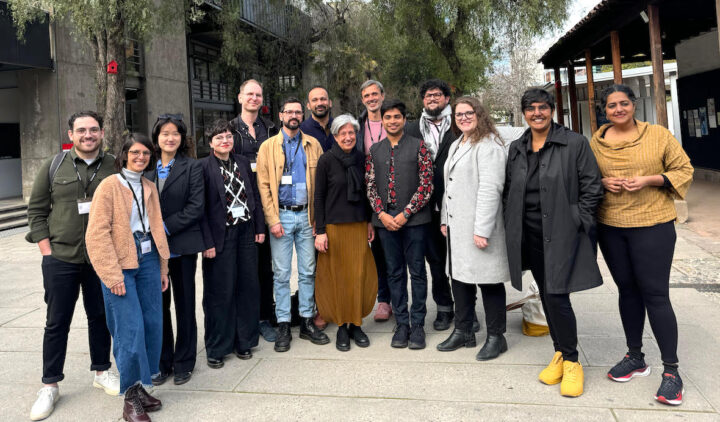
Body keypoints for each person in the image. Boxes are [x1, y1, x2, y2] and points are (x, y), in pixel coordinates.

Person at [590, 84, 693, 406]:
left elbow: (683, 169)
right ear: (603, 110)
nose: (618, 110)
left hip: (653, 225)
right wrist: (602, 181)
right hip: (611, 226)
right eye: (611, 106)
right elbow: (586, 175)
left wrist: (649, 179)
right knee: (627, 291)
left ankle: (672, 372)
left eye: (623, 104)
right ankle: (635, 356)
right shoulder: (596, 142)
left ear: (633, 105)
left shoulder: (658, 135)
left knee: (655, 294)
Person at [504, 88, 604, 398]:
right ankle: (559, 353)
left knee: (558, 296)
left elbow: (592, 187)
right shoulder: (517, 147)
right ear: (524, 113)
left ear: (552, 110)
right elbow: (509, 188)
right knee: (547, 294)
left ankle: (573, 360)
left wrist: (578, 220)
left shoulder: (573, 142)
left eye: (542, 107)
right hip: (530, 233)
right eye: (531, 109)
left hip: (562, 231)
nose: (537, 113)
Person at [26, 111, 119, 421]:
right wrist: (47, 253)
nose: (88, 135)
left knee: (100, 317)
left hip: (101, 258)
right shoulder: (54, 166)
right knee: (57, 322)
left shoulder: (113, 166)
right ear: (71, 134)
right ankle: (50, 384)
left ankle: (101, 371)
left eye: (93, 129)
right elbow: (37, 211)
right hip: (61, 258)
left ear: (102, 133)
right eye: (81, 130)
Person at [86, 133, 170, 422]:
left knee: (152, 324)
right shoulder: (109, 186)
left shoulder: (148, 186)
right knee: (129, 329)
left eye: (146, 153)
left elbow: (157, 228)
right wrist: (111, 274)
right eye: (135, 152)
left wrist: (162, 268)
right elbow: (96, 234)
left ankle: (141, 385)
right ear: (124, 155)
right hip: (120, 260)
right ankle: (130, 397)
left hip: (148, 258)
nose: (141, 157)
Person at [437, 97, 510, 360]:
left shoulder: (489, 145)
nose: (464, 117)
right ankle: (463, 330)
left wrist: (482, 229)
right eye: (459, 114)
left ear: (479, 115)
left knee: (488, 282)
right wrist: (445, 218)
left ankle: (496, 337)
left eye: (469, 113)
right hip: (457, 227)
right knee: (460, 279)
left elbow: (491, 189)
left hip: (479, 227)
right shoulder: (458, 143)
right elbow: (450, 185)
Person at [256, 97, 329, 352]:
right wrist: (272, 219)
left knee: (309, 271)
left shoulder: (313, 145)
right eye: (289, 112)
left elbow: (321, 185)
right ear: (281, 115)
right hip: (282, 217)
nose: (294, 115)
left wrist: (319, 219)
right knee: (282, 274)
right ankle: (284, 323)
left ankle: (307, 319)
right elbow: (264, 186)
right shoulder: (268, 147)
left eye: (298, 112)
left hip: (308, 216)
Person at [365, 99, 433, 350]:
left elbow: (426, 185)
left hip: (414, 221)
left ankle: (418, 325)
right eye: (388, 117)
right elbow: (370, 186)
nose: (392, 121)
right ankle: (401, 323)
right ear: (381, 120)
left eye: (397, 117)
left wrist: (406, 213)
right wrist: (381, 214)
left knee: (417, 272)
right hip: (385, 223)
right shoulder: (375, 150)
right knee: (394, 272)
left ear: (405, 120)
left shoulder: (419, 147)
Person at [143, 114, 204, 386]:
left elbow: (195, 207)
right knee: (159, 307)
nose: (170, 138)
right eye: (165, 133)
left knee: (185, 305)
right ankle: (162, 360)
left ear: (182, 138)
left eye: (175, 133)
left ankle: (184, 361)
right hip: (152, 252)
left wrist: (163, 228)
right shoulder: (145, 167)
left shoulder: (192, 167)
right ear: (157, 137)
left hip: (181, 246)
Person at [199, 120, 265, 367]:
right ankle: (217, 347)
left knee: (247, 287)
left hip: (246, 232)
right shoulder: (203, 167)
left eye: (228, 136)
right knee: (220, 292)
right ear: (210, 143)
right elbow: (202, 209)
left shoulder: (243, 162)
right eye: (219, 138)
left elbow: (254, 194)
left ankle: (243, 341)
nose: (225, 141)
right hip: (220, 236)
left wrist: (259, 227)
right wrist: (207, 242)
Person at [314, 114, 377, 351]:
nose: (348, 137)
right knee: (338, 279)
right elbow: (318, 197)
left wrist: (370, 221)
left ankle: (356, 324)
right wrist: (320, 231)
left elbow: (368, 193)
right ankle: (342, 325)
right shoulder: (326, 160)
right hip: (334, 228)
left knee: (358, 276)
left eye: (352, 133)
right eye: (343, 133)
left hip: (358, 225)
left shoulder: (362, 159)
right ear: (336, 135)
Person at [405, 79, 456, 331]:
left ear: (446, 98)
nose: (432, 99)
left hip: (457, 206)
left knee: (460, 262)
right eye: (427, 96)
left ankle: (468, 309)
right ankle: (445, 308)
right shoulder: (412, 129)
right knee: (436, 262)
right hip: (426, 208)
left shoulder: (460, 124)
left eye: (437, 94)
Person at [230, 79, 279, 343]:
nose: (254, 98)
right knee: (241, 267)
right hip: (238, 206)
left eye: (258, 94)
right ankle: (242, 318)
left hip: (268, 203)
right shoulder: (230, 130)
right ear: (240, 97)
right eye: (249, 94)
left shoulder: (270, 129)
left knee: (264, 267)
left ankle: (264, 317)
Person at [356, 80, 392, 322]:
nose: (371, 98)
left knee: (396, 253)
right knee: (377, 251)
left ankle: (399, 300)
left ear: (382, 95)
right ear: (363, 99)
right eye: (367, 95)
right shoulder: (357, 127)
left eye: (375, 94)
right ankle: (384, 300)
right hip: (368, 195)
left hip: (395, 193)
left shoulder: (393, 120)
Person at [300, 85, 335, 152]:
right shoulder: (301, 131)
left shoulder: (340, 127)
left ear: (330, 103)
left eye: (323, 99)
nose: (319, 103)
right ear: (308, 106)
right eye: (314, 100)